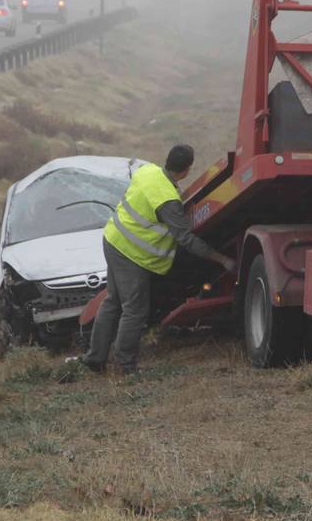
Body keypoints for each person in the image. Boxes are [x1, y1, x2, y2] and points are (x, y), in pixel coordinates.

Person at [72, 144, 235, 373]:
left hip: (113, 240)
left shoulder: (148, 171)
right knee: (134, 311)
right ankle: (125, 366)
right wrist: (222, 259)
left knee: (113, 301)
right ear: (187, 170)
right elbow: (185, 239)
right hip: (132, 255)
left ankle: (95, 358)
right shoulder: (168, 200)